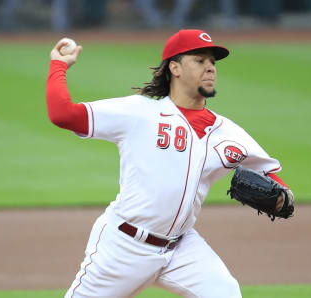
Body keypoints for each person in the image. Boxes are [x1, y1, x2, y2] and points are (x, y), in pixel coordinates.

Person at [46, 29, 293, 298]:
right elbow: (63, 114)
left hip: (182, 250)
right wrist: (59, 65)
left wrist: (283, 198)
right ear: (174, 67)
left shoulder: (228, 132)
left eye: (212, 62)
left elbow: (270, 176)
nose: (210, 68)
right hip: (124, 246)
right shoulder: (139, 113)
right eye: (200, 60)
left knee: (226, 293)